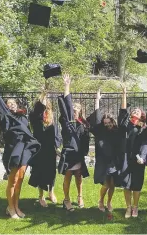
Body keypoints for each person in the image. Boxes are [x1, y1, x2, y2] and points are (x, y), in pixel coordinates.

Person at [0, 75, 40, 219]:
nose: (11, 105)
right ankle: (10, 208)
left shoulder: (22, 117)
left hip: (24, 151)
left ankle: (16, 206)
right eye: (8, 103)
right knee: (13, 180)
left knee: (20, 179)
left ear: (17, 105)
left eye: (13, 103)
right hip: (13, 153)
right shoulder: (6, 119)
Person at [57, 74, 90, 211]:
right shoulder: (66, 122)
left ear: (80, 112)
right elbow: (67, 103)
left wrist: (85, 153)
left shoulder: (83, 124)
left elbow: (86, 140)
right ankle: (66, 199)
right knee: (68, 177)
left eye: (77, 111)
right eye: (73, 110)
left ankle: (80, 196)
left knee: (78, 176)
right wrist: (66, 86)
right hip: (68, 153)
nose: (75, 112)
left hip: (78, 154)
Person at [118, 84, 147, 218]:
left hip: (138, 159)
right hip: (126, 157)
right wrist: (124, 93)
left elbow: (145, 143)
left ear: (141, 115)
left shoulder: (144, 128)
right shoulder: (125, 125)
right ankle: (128, 207)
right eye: (134, 111)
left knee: (137, 184)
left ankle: (135, 207)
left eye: (138, 111)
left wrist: (143, 157)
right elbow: (122, 111)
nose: (135, 112)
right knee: (126, 184)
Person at [89, 90, 123, 212]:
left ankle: (109, 202)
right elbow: (97, 116)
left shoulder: (116, 131)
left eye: (109, 122)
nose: (107, 124)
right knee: (106, 184)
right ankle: (101, 201)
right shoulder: (100, 130)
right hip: (103, 160)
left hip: (114, 160)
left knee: (112, 184)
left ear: (112, 122)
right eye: (105, 123)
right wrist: (97, 100)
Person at [28, 91, 62, 207]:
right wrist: (42, 96)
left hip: (50, 150)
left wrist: (57, 146)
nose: (45, 108)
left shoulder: (52, 119)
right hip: (39, 150)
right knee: (39, 173)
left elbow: (57, 134)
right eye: (43, 105)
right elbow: (37, 110)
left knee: (51, 173)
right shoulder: (36, 118)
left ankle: (51, 192)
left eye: (47, 105)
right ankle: (41, 196)